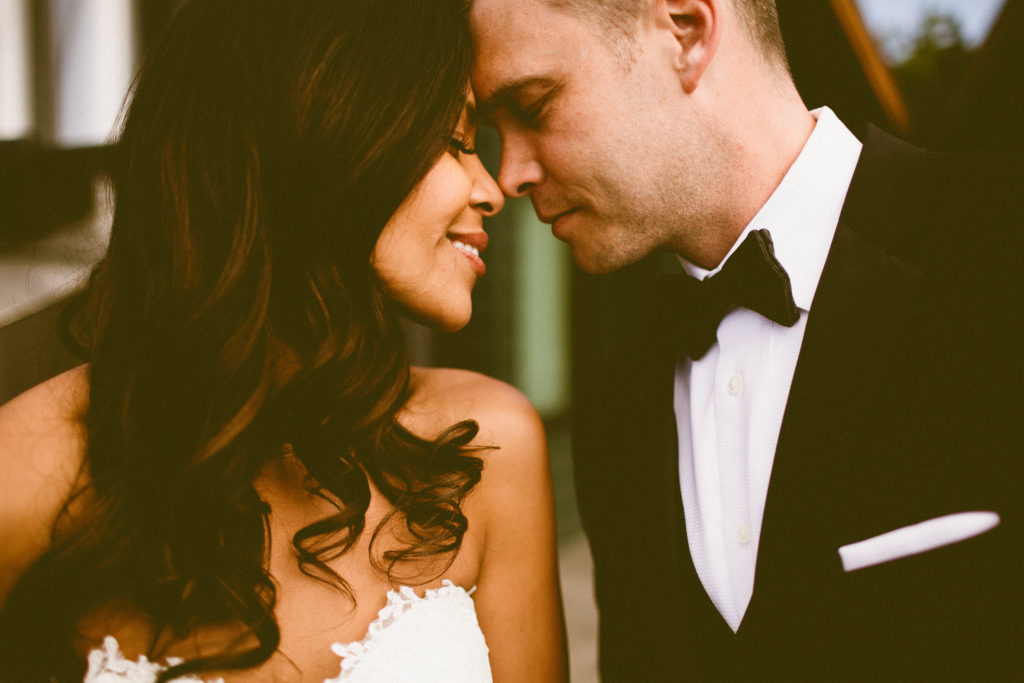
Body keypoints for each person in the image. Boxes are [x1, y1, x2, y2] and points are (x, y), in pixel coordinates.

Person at [0, 1, 568, 681]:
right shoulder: (26, 471)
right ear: (322, 134)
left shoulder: (487, 447)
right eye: (454, 141)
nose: (491, 188)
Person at [469, 0, 1023, 679]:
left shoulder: (999, 250)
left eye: (533, 106)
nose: (509, 175)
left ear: (687, 31)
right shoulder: (617, 406)